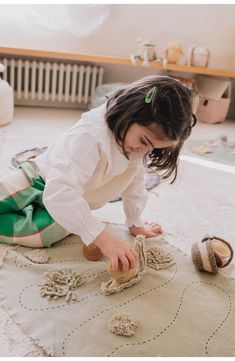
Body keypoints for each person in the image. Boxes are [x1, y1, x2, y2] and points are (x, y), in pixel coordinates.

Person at [0, 75, 197, 272]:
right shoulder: (90, 135)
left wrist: (135, 223)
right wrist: (102, 239)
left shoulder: (136, 147)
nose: (144, 151)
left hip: (72, 200)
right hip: (38, 179)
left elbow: (135, 185)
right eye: (144, 141)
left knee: (44, 234)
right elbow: (59, 191)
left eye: (153, 148)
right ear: (130, 112)